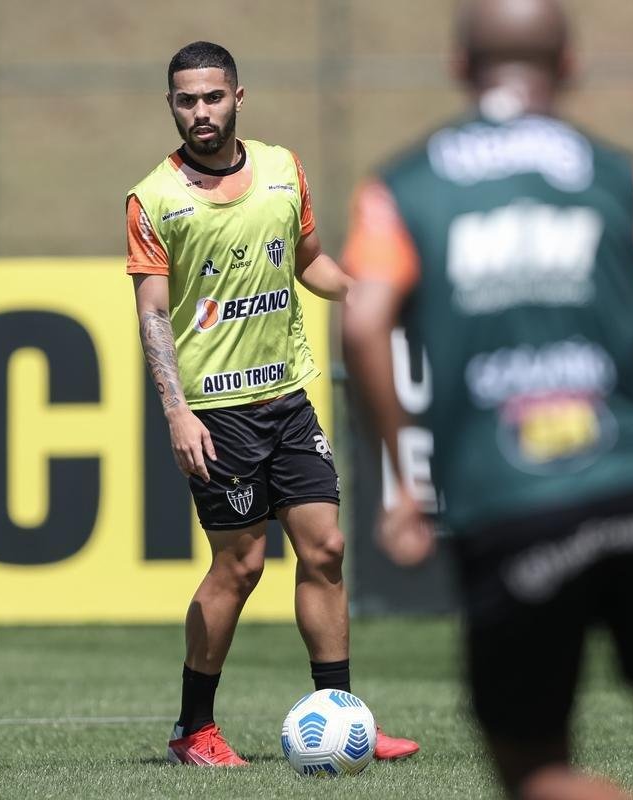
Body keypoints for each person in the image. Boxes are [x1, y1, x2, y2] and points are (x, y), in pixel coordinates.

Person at [342, 1, 633, 798]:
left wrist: (400, 481)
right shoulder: (623, 178)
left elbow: (362, 325)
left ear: (458, 67)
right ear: (568, 65)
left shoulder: (403, 187)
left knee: (533, 769)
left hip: (509, 509)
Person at [126, 41, 419, 767]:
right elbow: (153, 314)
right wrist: (175, 412)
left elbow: (309, 259)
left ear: (237, 97)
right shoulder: (153, 199)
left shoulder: (284, 171)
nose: (201, 111)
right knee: (241, 565)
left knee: (325, 548)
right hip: (214, 413)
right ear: (172, 106)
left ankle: (341, 716)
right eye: (186, 100)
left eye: (212, 97)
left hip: (285, 398)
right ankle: (194, 730)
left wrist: (370, 299)